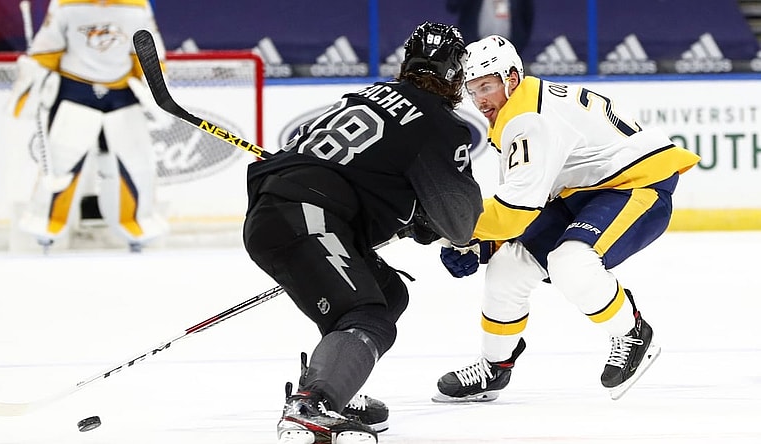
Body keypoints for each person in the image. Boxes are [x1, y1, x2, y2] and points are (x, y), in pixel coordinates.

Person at [243, 22, 483, 443]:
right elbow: (460, 221)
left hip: (282, 211)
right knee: (366, 314)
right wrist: (434, 230)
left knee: (388, 293)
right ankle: (311, 404)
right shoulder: (439, 124)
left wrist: (409, 218)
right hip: (307, 216)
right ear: (455, 72)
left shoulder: (365, 97)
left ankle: (338, 384)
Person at [434, 35, 701, 402]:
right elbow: (527, 199)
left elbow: (514, 212)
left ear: (511, 78)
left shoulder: (528, 120)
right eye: (473, 89)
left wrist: (456, 231)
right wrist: (482, 243)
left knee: (571, 263)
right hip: (583, 191)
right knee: (508, 267)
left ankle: (632, 332)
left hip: (638, 184)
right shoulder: (521, 106)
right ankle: (495, 366)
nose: (479, 99)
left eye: (487, 86)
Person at [8, 0, 168, 252]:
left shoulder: (137, 6)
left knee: (135, 164)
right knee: (62, 161)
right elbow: (47, 49)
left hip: (122, 94)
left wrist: (158, 87)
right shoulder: (65, 4)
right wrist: (33, 80)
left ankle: (136, 224)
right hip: (74, 90)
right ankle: (47, 224)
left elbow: (147, 51)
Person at [445, 0, 535, 55]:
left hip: (508, 49)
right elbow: (453, 5)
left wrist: (519, 44)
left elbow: (527, 17)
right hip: (475, 49)